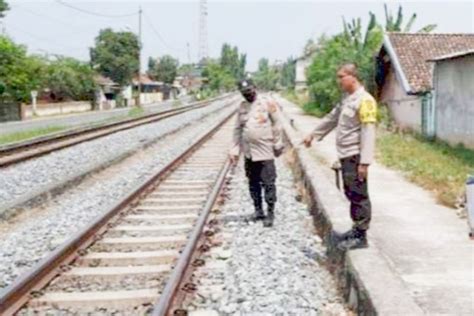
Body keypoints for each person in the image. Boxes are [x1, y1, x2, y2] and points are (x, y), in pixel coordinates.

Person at [303, 63, 377, 250]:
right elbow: (331, 118)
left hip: (356, 155)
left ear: (352, 77)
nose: (339, 81)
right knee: (351, 192)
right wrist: (314, 134)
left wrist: (365, 162)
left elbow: (368, 131)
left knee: (359, 194)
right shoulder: (347, 99)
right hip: (346, 155)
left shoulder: (365, 100)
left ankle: (361, 236)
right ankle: (355, 229)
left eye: (341, 76)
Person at [229, 79, 283, 227]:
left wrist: (278, 143)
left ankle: (270, 213)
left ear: (255, 89)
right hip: (249, 153)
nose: (248, 95)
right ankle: (258, 210)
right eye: (245, 93)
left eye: (250, 92)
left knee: (268, 183)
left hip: (265, 151)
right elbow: (237, 129)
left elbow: (277, 123)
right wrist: (234, 149)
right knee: (253, 183)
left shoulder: (267, 102)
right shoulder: (242, 107)